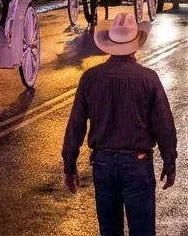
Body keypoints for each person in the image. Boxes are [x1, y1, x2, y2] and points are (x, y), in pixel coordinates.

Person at [63, 13, 176, 236]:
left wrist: (69, 165)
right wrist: (169, 160)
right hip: (137, 164)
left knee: (109, 230)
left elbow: (76, 125)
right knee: (142, 230)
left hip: (103, 163)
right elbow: (164, 125)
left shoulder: (90, 77)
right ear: (135, 44)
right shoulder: (148, 78)